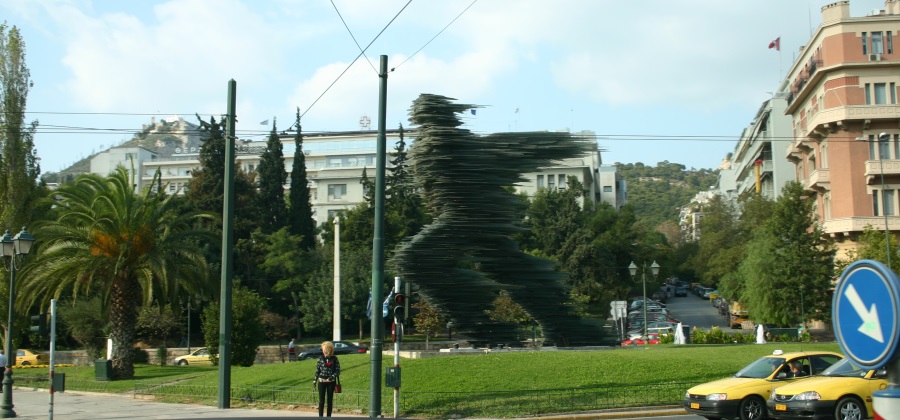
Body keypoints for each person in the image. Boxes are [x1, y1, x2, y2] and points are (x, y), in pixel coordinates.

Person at [313, 341, 341, 417]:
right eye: (323, 349)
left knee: (329, 400)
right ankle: (320, 417)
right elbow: (318, 370)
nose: (323, 351)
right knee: (321, 401)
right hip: (322, 381)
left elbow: (338, 370)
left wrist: (332, 376)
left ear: (329, 349)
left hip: (331, 382)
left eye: (325, 349)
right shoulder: (320, 358)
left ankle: (329, 416)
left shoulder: (334, 359)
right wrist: (315, 380)